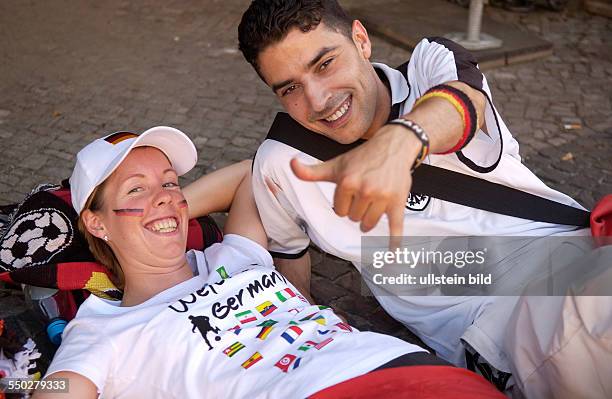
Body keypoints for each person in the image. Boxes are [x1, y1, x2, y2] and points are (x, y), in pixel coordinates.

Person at [229, 0, 612, 397]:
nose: (318, 100)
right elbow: (288, 258)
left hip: (581, 251)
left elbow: (463, 103)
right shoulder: (281, 162)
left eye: (325, 64)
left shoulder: (430, 65)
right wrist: (317, 324)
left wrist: (405, 138)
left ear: (361, 40)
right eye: (290, 88)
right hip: (505, 320)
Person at [33, 127, 505, 399]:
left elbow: (251, 172)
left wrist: (159, 212)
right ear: (94, 222)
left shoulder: (230, 255)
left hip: (401, 366)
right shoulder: (103, 330)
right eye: (135, 189)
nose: (165, 197)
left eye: (170, 182)